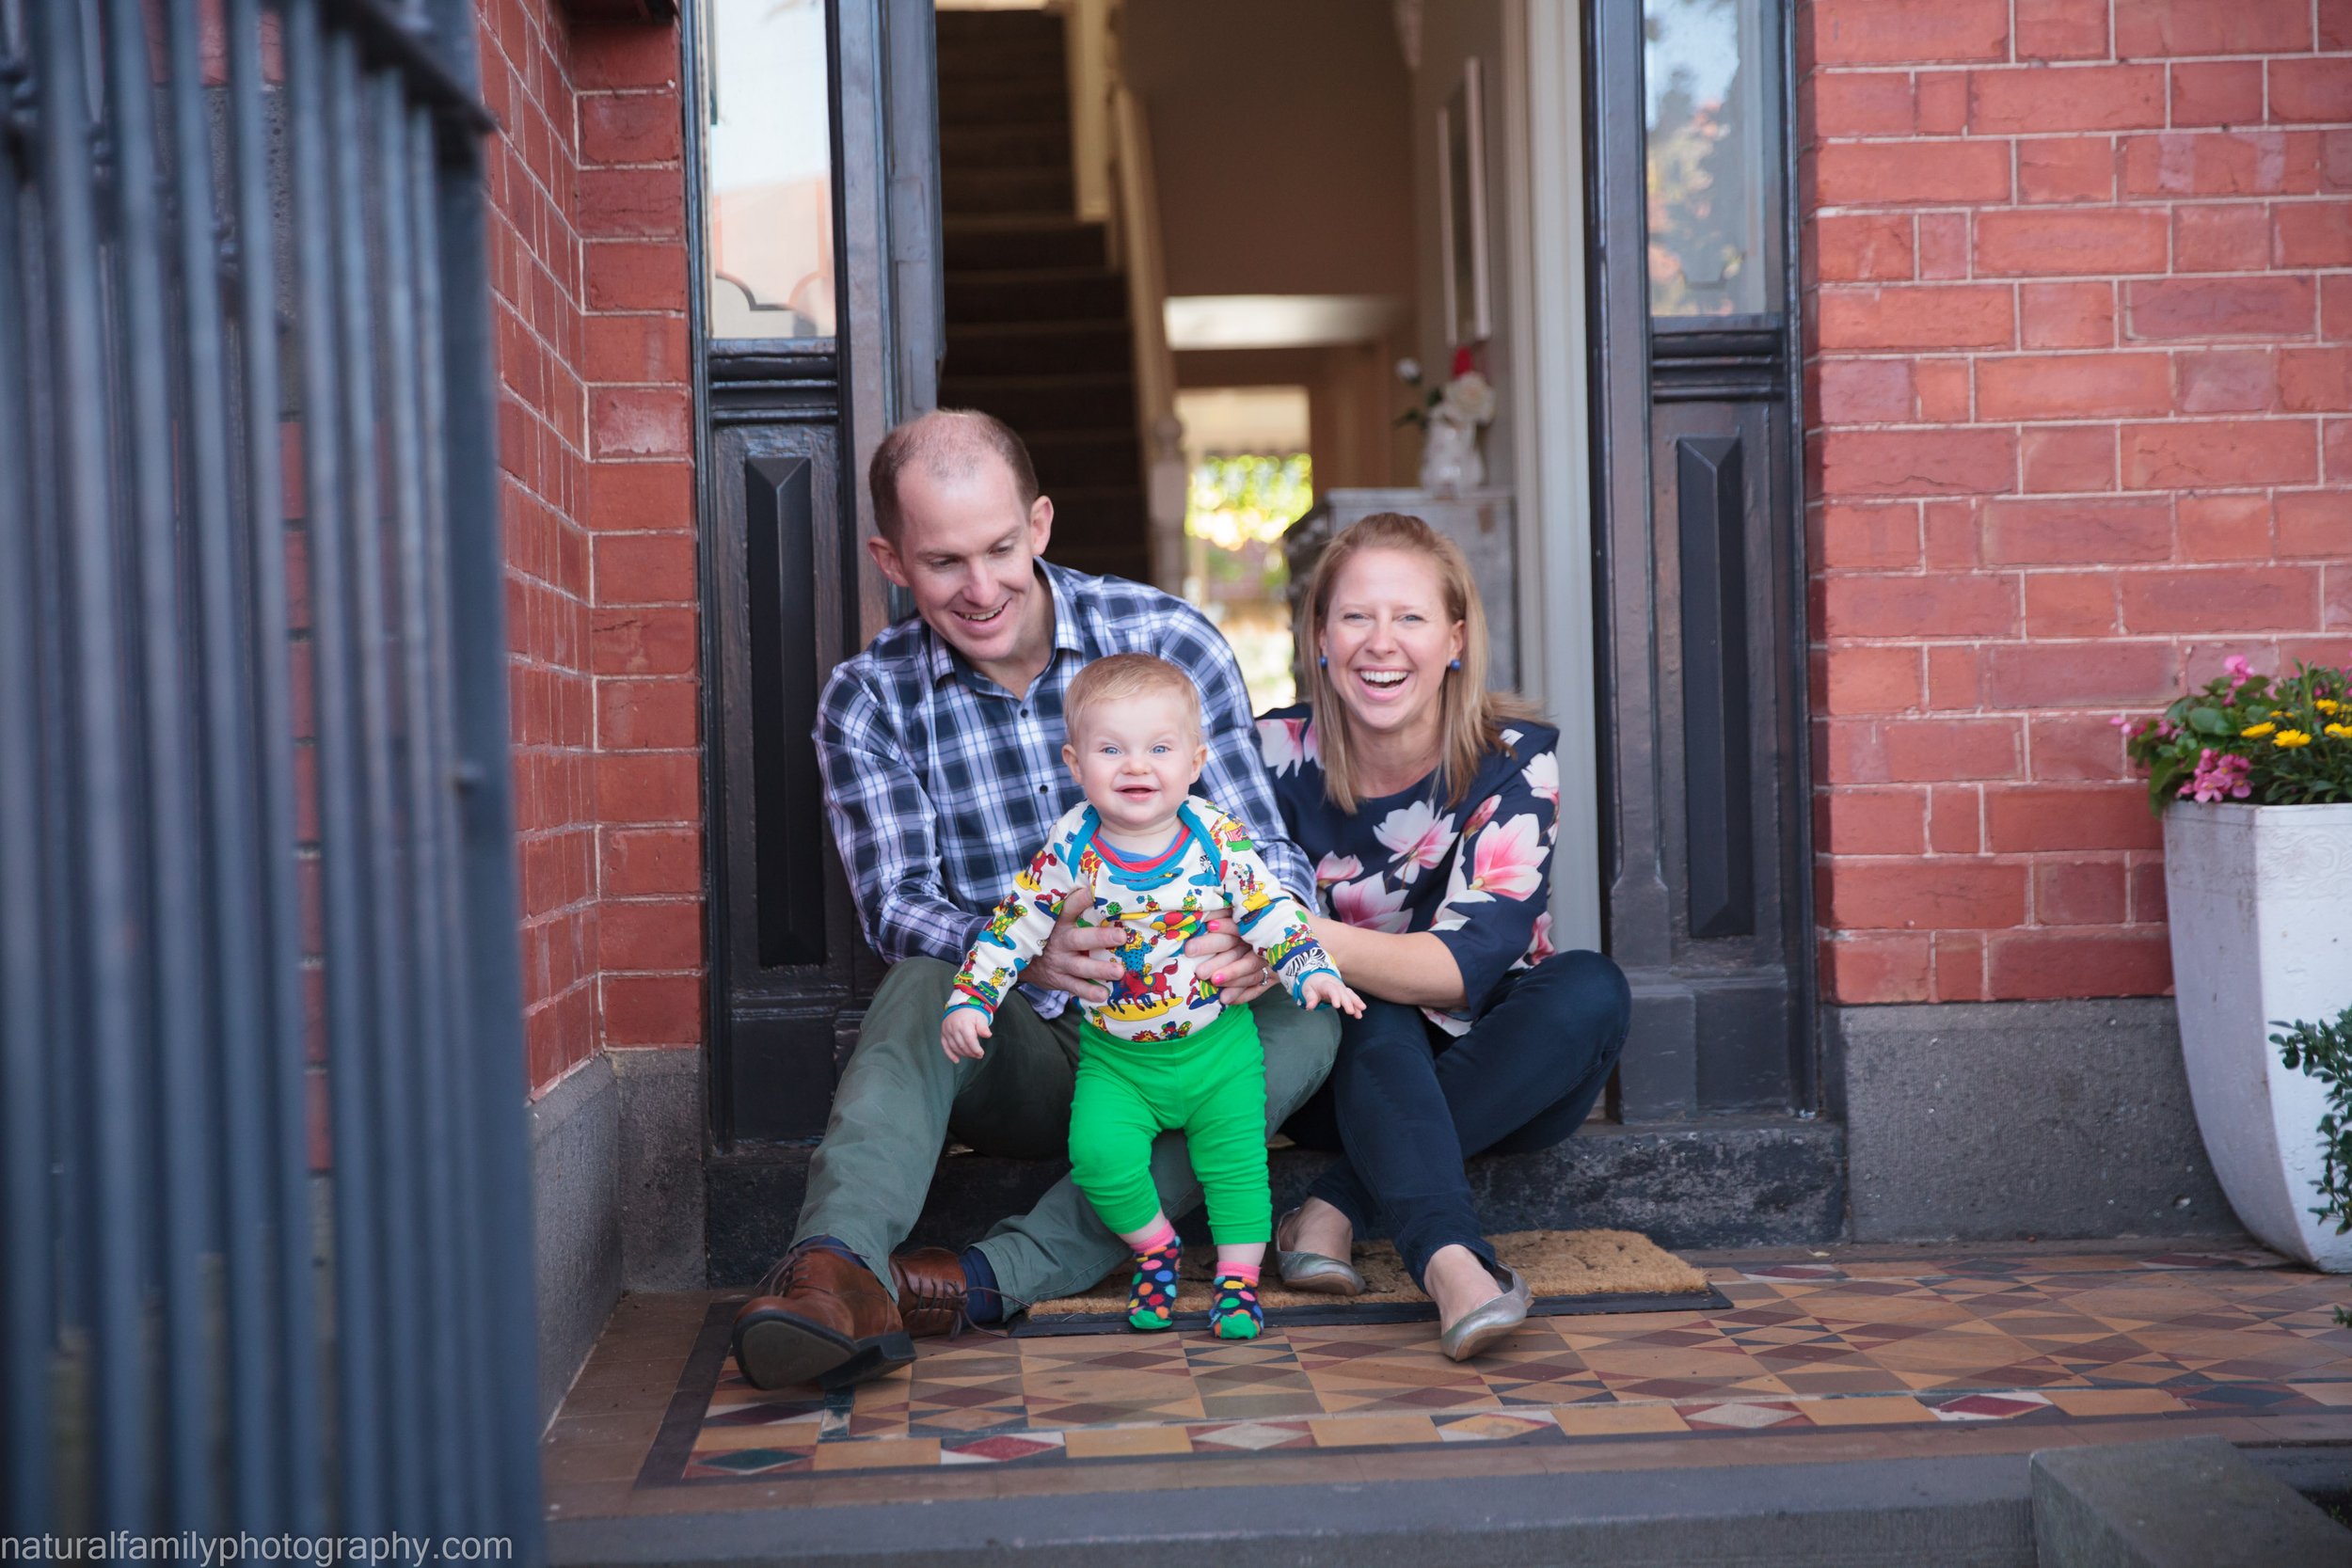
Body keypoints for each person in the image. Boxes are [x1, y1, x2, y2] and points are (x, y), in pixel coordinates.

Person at [729, 410, 1341, 1391]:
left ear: (1041, 523)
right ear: (891, 559)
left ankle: (984, 1277)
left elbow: (1263, 844)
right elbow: (896, 903)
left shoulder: (1167, 637)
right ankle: (832, 1272)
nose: (980, 588)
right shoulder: (869, 699)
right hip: (1025, 1052)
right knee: (926, 980)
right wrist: (1016, 953)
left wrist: (1262, 938)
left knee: (1305, 1023)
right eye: (943, 562)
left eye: (1001, 549)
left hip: (1184, 1040)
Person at [1259, 512, 1633, 1361]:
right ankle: (1454, 1264)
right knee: (1372, 1007)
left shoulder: (1513, 760)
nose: (1379, 643)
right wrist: (1328, 956)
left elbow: (1466, 965)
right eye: (1355, 616)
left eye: (1411, 617)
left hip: (1502, 1074)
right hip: (1341, 1075)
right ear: (1320, 634)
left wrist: (1301, 933)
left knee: (1591, 988)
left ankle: (1335, 1207)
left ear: (1456, 639)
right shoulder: (1269, 756)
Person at [942, 655, 1363, 1340]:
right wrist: (971, 999)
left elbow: (1270, 911)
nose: (1136, 766)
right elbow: (1014, 925)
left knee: (1236, 1173)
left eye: (1159, 748)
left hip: (1217, 1051)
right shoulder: (1072, 846)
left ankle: (1236, 1281)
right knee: (1099, 1156)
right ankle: (1156, 1247)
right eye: (1112, 749)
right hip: (1118, 1060)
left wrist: (1309, 968)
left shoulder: (1215, 839)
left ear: (1195, 760)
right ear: (1076, 764)